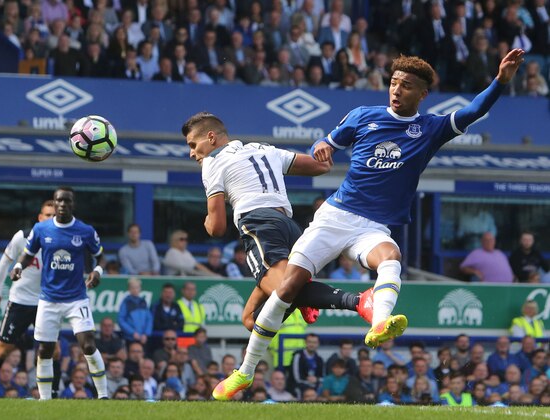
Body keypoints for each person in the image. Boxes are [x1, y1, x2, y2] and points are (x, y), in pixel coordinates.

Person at [211, 48, 525, 400]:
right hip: (334, 217)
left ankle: (379, 324)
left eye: (406, 86)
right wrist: (321, 148)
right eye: (393, 82)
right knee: (286, 290)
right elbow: (325, 142)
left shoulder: (431, 128)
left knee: (391, 257)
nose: (396, 90)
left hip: (373, 226)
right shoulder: (363, 116)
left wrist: (500, 81)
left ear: (422, 94)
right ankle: (244, 373)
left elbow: (473, 110)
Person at [182, 112, 373, 398]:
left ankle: (357, 300)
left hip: (260, 226)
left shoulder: (212, 162)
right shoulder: (263, 148)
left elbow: (218, 227)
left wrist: (206, 221)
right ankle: (304, 299)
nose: (191, 153)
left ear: (211, 138)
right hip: (290, 227)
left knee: (287, 291)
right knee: (250, 319)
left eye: (192, 144)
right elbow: (321, 166)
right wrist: (325, 148)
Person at [10, 186, 108, 400]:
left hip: (76, 298)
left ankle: (103, 396)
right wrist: (18, 267)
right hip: (48, 299)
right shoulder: (41, 229)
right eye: (59, 201)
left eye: (67, 201)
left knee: (88, 344)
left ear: (73, 204)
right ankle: (46, 401)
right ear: (54, 204)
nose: (63, 204)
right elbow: (27, 255)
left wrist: (97, 271)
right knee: (45, 350)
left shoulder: (85, 231)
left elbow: (100, 256)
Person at [0, 200, 59, 399]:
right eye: (47, 215)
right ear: (40, 218)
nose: (50, 219)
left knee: (53, 350)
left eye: (54, 216)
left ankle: (52, 396)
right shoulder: (23, 237)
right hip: (20, 300)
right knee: (3, 349)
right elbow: (5, 261)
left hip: (46, 302)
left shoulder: (62, 241)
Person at [118, 277, 153, 345]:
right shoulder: (126, 302)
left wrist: (146, 334)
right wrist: (132, 332)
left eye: (137, 287)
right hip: (130, 338)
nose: (135, 290)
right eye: (132, 288)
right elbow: (121, 320)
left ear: (140, 288)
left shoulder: (143, 302)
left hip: (143, 338)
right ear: (129, 289)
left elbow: (149, 319)